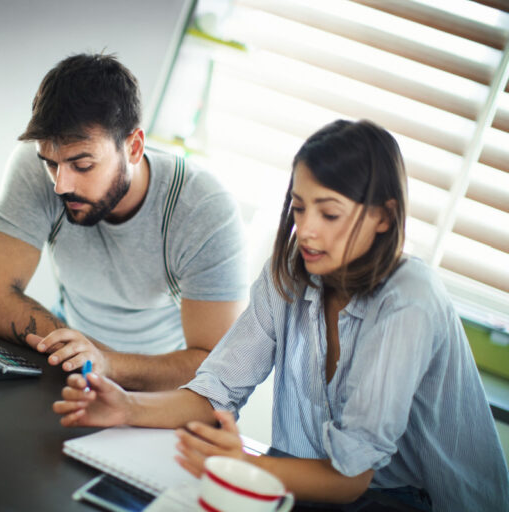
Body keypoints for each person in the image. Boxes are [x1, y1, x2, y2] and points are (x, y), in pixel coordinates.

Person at [52, 119, 509, 511]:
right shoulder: (291, 275)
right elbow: (216, 390)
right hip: (318, 486)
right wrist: (127, 406)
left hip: (416, 499)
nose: (307, 230)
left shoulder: (409, 299)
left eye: (329, 214)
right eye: (299, 207)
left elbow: (352, 477)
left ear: (384, 218)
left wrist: (243, 465)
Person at [0, 53, 249, 391]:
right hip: (70, 365)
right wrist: (87, 358)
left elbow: (214, 366)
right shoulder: (36, 165)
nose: (60, 185)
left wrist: (106, 362)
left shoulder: (203, 209)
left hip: (157, 389)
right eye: (51, 164)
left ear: (133, 147)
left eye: (82, 165)